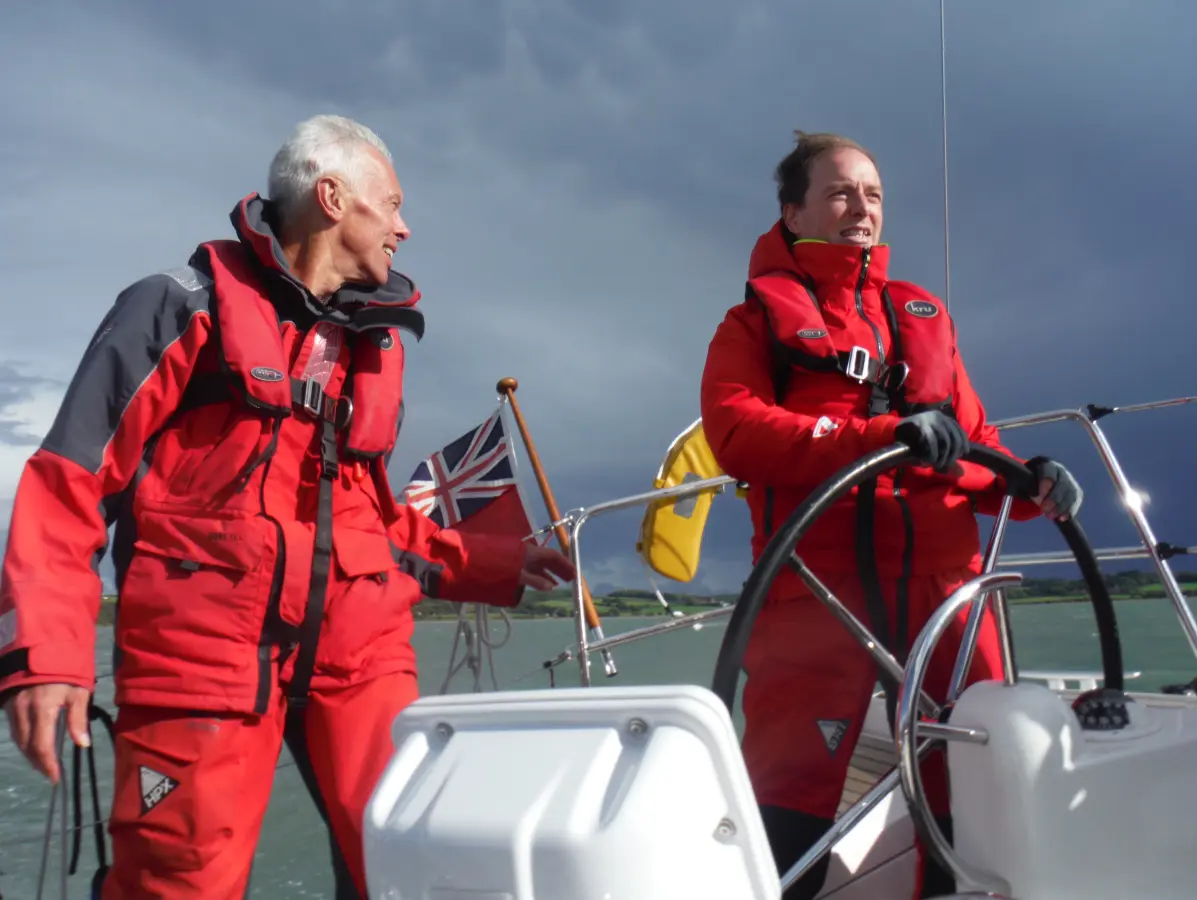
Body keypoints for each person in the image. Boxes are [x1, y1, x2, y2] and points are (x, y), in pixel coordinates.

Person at [0, 114, 576, 900]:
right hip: (202, 660)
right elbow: (70, 480)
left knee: (419, 867)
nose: (405, 227)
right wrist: (46, 655)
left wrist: (501, 563)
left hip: (361, 658)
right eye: (392, 204)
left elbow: (374, 522)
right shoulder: (176, 308)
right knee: (179, 878)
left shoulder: (374, 344)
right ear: (332, 198)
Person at [699, 130, 1083, 898]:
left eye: (872, 194)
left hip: (946, 586)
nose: (861, 209)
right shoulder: (752, 325)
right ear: (793, 211)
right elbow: (735, 431)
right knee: (789, 793)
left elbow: (977, 439)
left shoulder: (924, 317)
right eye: (840, 192)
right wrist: (879, 436)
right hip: (819, 587)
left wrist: (1028, 484)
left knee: (969, 788)